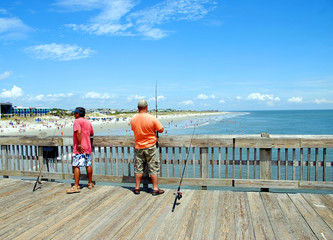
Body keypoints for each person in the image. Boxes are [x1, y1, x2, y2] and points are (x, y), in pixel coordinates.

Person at [130, 99, 165, 196]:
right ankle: (155, 189)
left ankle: (137, 188)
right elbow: (161, 130)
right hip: (151, 146)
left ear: (138, 108)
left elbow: (133, 129)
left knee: (138, 168)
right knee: (153, 168)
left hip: (138, 147)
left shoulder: (133, 119)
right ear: (146, 107)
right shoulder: (152, 118)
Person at [66, 107, 94, 194]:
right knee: (88, 165)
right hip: (88, 147)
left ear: (78, 114)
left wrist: (79, 145)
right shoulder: (88, 122)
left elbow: (78, 132)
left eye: (75, 113)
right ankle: (90, 183)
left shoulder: (77, 121)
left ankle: (76, 186)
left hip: (79, 148)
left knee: (76, 166)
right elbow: (92, 133)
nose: (74, 115)